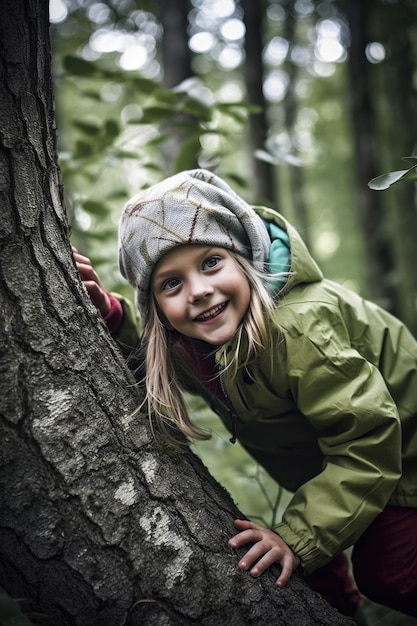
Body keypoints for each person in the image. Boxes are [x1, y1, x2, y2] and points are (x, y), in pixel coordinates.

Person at [73, 168, 417, 619]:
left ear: (246, 259)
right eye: (171, 283)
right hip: (331, 472)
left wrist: (297, 536)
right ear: (155, 307)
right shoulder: (200, 341)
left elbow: (367, 440)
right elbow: (162, 366)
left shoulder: (298, 329)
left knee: (389, 572)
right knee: (303, 580)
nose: (198, 291)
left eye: (211, 262)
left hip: (404, 459)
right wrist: (113, 319)